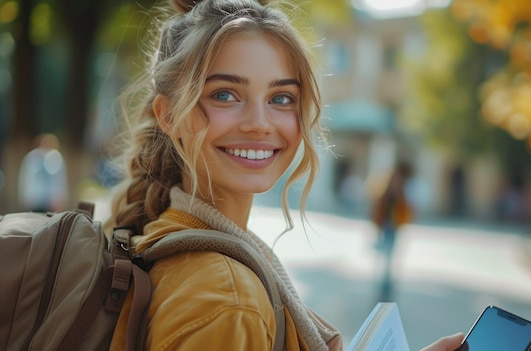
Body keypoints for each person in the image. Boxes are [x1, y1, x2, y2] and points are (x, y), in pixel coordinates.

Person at [106, 0, 462, 350]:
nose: (260, 124)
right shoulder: (229, 304)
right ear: (168, 116)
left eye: (281, 98)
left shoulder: (168, 233)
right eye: (225, 94)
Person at [371, 161, 414, 302]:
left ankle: (387, 289)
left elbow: (405, 210)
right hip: (385, 228)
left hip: (393, 228)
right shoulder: (385, 192)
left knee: (389, 260)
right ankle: (384, 289)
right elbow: (378, 209)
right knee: (385, 260)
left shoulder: (401, 193)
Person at [18, 133, 68, 212]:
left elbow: (59, 180)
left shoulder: (56, 157)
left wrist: (60, 198)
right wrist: (26, 196)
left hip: (51, 201)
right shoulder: (32, 157)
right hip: (35, 198)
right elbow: (26, 178)